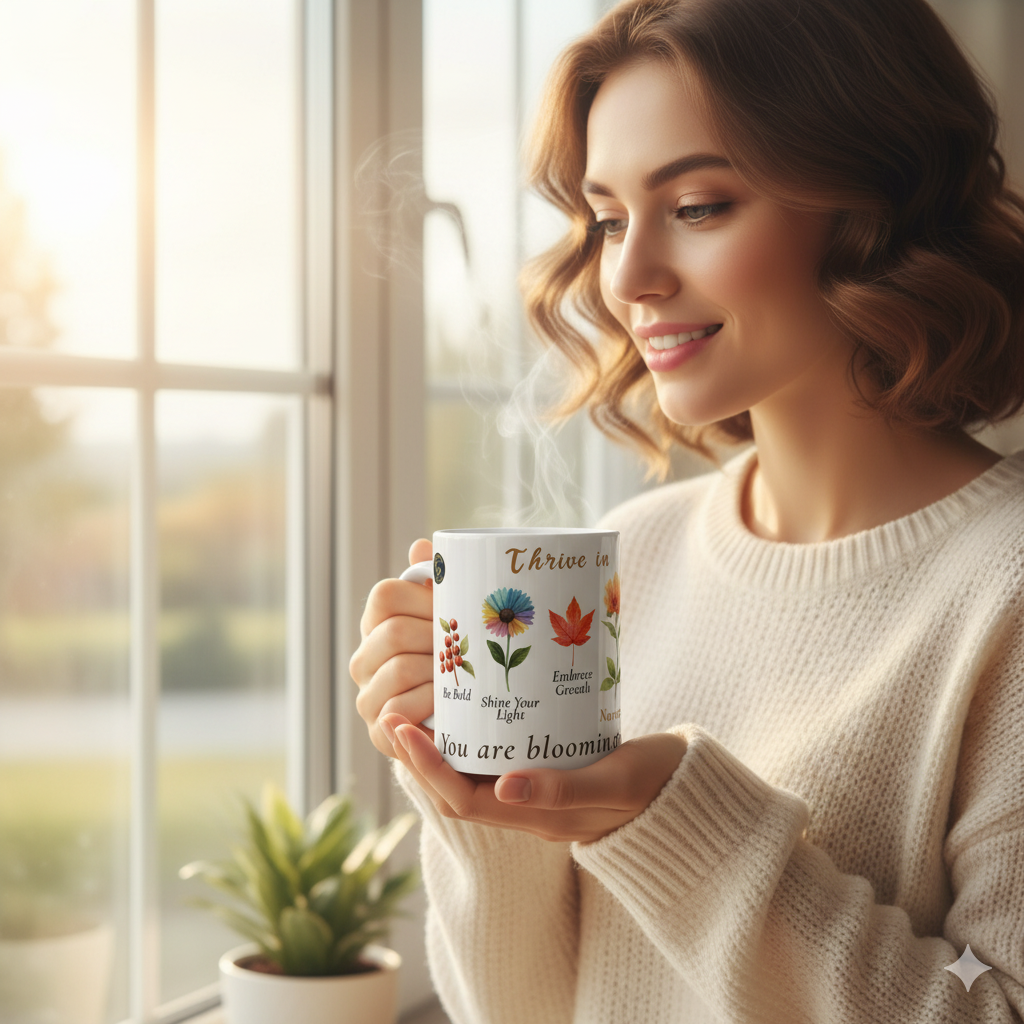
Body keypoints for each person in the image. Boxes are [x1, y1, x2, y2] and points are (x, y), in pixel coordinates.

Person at [349, 0, 1024, 1020]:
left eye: (698, 206)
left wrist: (673, 816)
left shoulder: (1001, 588)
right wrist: (481, 802)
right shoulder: (628, 556)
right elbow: (528, 1008)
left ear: (873, 205)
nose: (625, 275)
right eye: (610, 218)